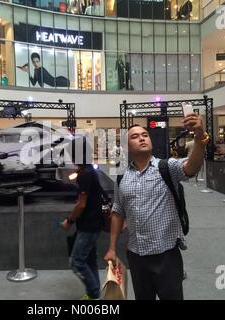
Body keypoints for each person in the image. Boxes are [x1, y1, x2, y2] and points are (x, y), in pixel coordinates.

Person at [104, 112, 208, 300]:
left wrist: (200, 138)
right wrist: (112, 248)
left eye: (145, 135)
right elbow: (118, 211)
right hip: (136, 256)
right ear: (127, 147)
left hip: (166, 256)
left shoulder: (167, 167)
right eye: (135, 137)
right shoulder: (122, 177)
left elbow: (191, 168)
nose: (142, 138)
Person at [61, 138, 103, 300]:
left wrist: (69, 221)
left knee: (77, 262)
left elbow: (81, 205)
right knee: (89, 259)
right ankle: (95, 292)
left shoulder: (84, 174)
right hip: (93, 223)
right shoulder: (89, 171)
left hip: (89, 225)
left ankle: (93, 294)